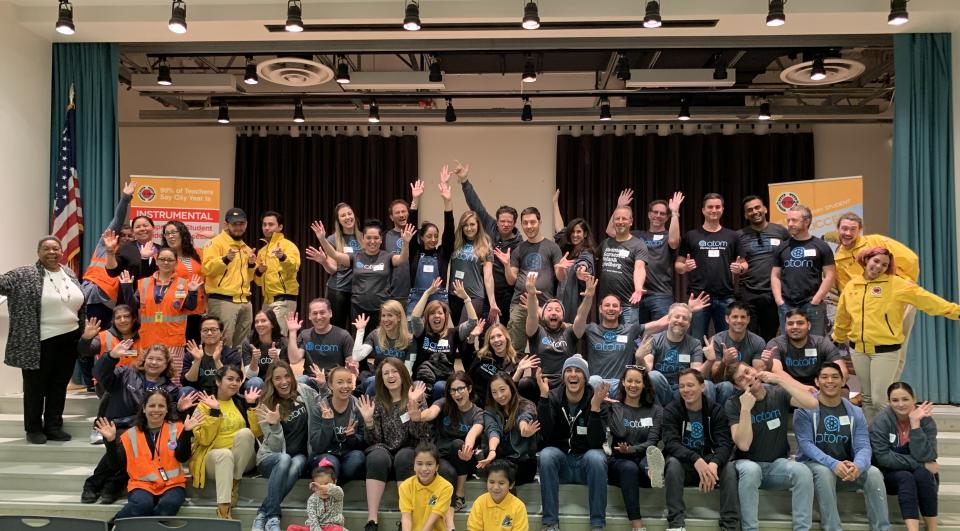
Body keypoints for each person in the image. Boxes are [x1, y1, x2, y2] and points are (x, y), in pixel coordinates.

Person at [833, 246, 960, 419]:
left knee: (880, 399)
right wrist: (837, 337)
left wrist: (955, 311)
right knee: (868, 399)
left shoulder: (896, 284)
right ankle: (873, 439)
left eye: (884, 265)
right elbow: (843, 316)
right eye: (876, 261)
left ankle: (894, 437)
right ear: (866, 260)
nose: (878, 267)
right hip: (858, 350)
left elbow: (928, 301)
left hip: (885, 351)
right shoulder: (852, 285)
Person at [1, 236, 85, 444]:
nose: (52, 252)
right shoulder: (24, 274)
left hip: (69, 340)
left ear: (62, 251)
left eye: (56, 248)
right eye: (46, 249)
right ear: (38, 252)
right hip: (38, 342)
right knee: (35, 388)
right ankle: (33, 428)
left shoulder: (69, 273)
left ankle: (54, 426)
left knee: (59, 386)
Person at [82, 342, 185, 504]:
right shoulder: (125, 374)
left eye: (159, 360)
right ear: (144, 360)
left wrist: (180, 409)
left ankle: (110, 487)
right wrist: (110, 357)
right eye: (151, 358)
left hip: (146, 430)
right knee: (124, 443)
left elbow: (168, 416)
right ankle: (94, 485)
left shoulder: (170, 389)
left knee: (135, 444)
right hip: (117, 426)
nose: (154, 362)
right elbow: (101, 375)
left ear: (166, 364)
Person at [793, 362, 891, 531]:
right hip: (814, 466)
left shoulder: (855, 411)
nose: (829, 381)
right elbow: (806, 444)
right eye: (824, 377)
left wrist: (858, 465)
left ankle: (882, 528)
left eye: (835, 377)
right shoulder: (804, 409)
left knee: (873, 473)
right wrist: (833, 463)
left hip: (845, 469)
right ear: (816, 382)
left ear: (843, 380)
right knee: (824, 472)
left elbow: (863, 446)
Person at [725, 361, 819, 531]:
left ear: (754, 369)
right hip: (747, 465)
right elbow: (743, 445)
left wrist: (780, 380)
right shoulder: (734, 404)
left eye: (748, 371)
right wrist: (746, 409)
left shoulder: (777, 393)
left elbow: (812, 403)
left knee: (803, 472)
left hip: (777, 465)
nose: (748, 377)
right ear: (737, 386)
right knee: (752, 471)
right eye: (741, 378)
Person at [94, 390, 204, 521]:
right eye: (152, 406)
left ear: (167, 409)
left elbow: (183, 457)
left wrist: (187, 432)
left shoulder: (178, 428)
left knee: (168, 505)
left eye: (161, 406)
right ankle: (113, 525)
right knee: (142, 505)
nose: (156, 410)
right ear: (144, 409)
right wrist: (111, 442)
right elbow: (115, 465)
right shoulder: (130, 434)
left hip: (173, 485)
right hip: (141, 485)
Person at [357, 358, 431, 531]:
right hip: (384, 449)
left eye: (394, 371)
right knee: (376, 456)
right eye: (386, 373)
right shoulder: (377, 402)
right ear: (381, 378)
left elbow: (422, 435)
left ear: (402, 374)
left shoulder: (417, 397)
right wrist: (368, 422)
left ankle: (405, 518)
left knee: (404, 456)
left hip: (409, 448)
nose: (390, 376)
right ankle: (372, 520)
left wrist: (413, 408)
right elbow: (374, 440)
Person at [662, 368, 739, 531]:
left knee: (730, 468)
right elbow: (671, 443)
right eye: (681, 386)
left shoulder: (716, 410)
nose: (685, 390)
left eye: (690, 385)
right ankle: (676, 524)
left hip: (710, 463)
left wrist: (714, 464)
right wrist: (695, 459)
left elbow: (725, 444)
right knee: (673, 464)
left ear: (702, 387)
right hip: (686, 465)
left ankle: (729, 525)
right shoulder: (672, 409)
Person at [536, 356, 607, 531]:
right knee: (546, 455)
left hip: (585, 463)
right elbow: (545, 433)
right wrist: (544, 397)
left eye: (578, 371)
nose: (573, 374)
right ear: (563, 376)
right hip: (562, 464)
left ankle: (597, 525)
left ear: (585, 377)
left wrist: (596, 409)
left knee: (597, 457)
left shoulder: (596, 399)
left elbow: (597, 442)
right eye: (568, 370)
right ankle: (550, 524)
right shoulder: (552, 397)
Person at [252, 361, 323, 531]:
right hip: (271, 458)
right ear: (271, 381)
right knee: (284, 459)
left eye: (286, 376)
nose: (283, 382)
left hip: (299, 455)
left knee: (298, 462)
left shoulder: (304, 392)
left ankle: (264, 513)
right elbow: (275, 447)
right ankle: (274, 516)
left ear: (292, 377)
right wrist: (275, 426)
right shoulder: (265, 404)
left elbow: (324, 403)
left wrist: (324, 386)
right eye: (277, 378)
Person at [310, 218, 415, 332]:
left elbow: (402, 259)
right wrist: (322, 239)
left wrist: (406, 243)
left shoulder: (387, 257)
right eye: (368, 238)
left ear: (381, 240)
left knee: (378, 343)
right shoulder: (355, 257)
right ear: (363, 239)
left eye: (376, 238)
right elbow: (334, 254)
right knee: (359, 342)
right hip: (358, 309)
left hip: (381, 310)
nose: (372, 241)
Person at [119, 247, 204, 385]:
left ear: (176, 263)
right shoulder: (144, 283)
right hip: (149, 339)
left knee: (173, 380)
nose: (166, 262)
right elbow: (133, 307)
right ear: (157, 261)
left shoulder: (183, 283)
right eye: (162, 259)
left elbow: (190, 307)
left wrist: (193, 292)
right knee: (148, 379)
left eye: (170, 260)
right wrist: (127, 288)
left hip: (173, 341)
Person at [188, 364, 263, 519]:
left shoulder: (241, 402)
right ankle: (224, 511)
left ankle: (234, 482)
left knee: (246, 433)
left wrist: (251, 406)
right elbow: (204, 440)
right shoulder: (204, 405)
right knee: (225, 455)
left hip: (242, 461)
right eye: (230, 379)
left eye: (238, 380)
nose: (234, 383)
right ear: (218, 381)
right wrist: (214, 412)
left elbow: (256, 433)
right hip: (212, 458)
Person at [454, 160, 523, 326]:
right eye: (502, 221)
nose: (505, 224)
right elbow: (475, 204)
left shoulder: (520, 244)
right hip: (484, 290)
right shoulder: (489, 225)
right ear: (497, 221)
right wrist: (464, 181)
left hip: (507, 292)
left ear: (514, 223)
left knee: (507, 330)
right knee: (483, 329)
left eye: (509, 222)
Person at [869, 382, 939, 531]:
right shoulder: (881, 421)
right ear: (889, 402)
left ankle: (932, 528)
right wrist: (920, 464)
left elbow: (928, 455)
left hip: (921, 473)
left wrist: (915, 425)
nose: (900, 404)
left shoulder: (925, 419)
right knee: (906, 477)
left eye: (905, 399)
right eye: (895, 400)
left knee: (924, 475)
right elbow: (883, 458)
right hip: (890, 473)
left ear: (914, 399)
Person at [606, 190, 684, 322]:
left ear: (667, 217)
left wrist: (675, 213)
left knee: (660, 337)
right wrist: (619, 208)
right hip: (636, 294)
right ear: (649, 214)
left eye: (662, 213)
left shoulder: (668, 236)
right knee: (637, 338)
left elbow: (674, 242)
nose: (658, 216)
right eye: (655, 212)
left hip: (660, 295)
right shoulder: (636, 235)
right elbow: (611, 232)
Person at [604, 365, 665, 531]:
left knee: (647, 458)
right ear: (623, 382)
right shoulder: (614, 407)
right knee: (630, 467)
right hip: (619, 463)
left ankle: (652, 472)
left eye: (637, 381)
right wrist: (616, 406)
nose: (633, 385)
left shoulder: (656, 410)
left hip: (643, 457)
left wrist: (631, 450)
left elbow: (652, 442)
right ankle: (637, 525)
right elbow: (620, 433)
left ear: (644, 384)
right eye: (629, 381)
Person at [676, 193, 745, 340]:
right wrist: (685, 267)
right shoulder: (691, 236)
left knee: (728, 339)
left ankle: (725, 364)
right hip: (699, 297)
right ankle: (697, 364)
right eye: (710, 207)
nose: (714, 210)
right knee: (696, 339)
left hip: (726, 296)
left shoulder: (732, 236)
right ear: (703, 210)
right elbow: (678, 265)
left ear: (722, 209)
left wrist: (740, 268)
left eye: (717, 207)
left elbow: (744, 263)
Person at [415, 372, 485, 513]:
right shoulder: (444, 404)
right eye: (452, 390)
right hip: (443, 456)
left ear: (469, 389)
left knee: (458, 444)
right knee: (448, 472)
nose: (456, 393)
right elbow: (431, 413)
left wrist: (468, 447)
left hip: (465, 458)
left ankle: (459, 495)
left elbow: (474, 432)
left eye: (460, 389)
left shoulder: (478, 413)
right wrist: (417, 414)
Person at [500, 206, 567, 350]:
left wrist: (561, 268)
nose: (529, 226)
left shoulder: (552, 247)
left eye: (532, 222)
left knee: (542, 349)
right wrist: (506, 265)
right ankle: (515, 373)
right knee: (515, 350)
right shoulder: (519, 249)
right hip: (520, 304)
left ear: (539, 222)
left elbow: (560, 277)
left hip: (543, 306)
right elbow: (511, 280)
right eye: (525, 223)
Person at [771, 204, 836, 336]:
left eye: (794, 220)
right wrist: (779, 301)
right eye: (788, 220)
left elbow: (830, 275)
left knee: (815, 344)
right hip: (787, 305)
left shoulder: (821, 246)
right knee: (789, 344)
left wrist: (816, 299)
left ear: (807, 221)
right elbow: (775, 276)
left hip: (812, 304)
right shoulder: (782, 247)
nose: (789, 224)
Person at [80, 180, 136, 332]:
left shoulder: (133, 256)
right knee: (87, 339)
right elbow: (117, 220)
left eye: (130, 236)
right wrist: (125, 198)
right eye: (122, 235)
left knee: (105, 343)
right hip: (90, 297)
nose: (125, 238)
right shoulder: (104, 245)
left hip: (112, 305)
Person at [410, 278, 478, 399]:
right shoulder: (422, 332)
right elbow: (415, 318)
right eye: (432, 313)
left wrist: (466, 299)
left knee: (440, 387)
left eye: (440, 313)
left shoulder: (454, 333)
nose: (436, 316)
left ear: (445, 317)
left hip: (444, 380)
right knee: (418, 389)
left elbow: (472, 321)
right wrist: (426, 294)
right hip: (422, 379)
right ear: (427, 318)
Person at [638, 303, 713, 406]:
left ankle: (703, 419)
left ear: (689, 324)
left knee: (707, 385)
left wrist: (710, 361)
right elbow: (647, 370)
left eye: (685, 318)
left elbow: (697, 375)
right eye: (677, 317)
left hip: (683, 389)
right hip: (661, 389)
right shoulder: (654, 339)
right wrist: (639, 358)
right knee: (654, 376)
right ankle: (660, 416)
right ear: (669, 319)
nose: (680, 321)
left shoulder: (695, 344)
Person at [202, 207, 256, 348]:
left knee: (242, 346)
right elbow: (207, 268)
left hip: (244, 302)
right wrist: (225, 259)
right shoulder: (215, 242)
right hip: (223, 301)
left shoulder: (246, 248)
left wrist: (251, 265)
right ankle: (219, 371)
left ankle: (236, 370)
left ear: (246, 224)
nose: (238, 227)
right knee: (222, 344)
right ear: (226, 225)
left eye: (241, 224)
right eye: (234, 224)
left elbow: (248, 278)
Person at [736, 195, 789, 340]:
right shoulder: (739, 236)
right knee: (748, 336)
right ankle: (750, 363)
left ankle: (768, 363)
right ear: (746, 215)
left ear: (765, 209)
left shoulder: (781, 232)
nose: (755, 211)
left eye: (757, 207)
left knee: (770, 336)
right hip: (748, 293)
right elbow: (738, 261)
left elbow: (790, 258)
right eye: (750, 210)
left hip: (774, 293)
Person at [833, 212, 919, 293]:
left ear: (859, 230)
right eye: (844, 229)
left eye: (853, 229)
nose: (848, 233)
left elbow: (910, 259)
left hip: (898, 292)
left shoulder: (876, 241)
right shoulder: (838, 261)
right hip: (872, 302)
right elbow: (847, 291)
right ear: (838, 229)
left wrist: (908, 280)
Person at [523, 272, 582, 389]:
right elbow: (532, 315)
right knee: (524, 384)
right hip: (540, 381)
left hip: (564, 383)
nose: (554, 312)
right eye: (549, 310)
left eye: (557, 310)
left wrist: (589, 297)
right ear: (543, 315)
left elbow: (582, 316)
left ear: (563, 316)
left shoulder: (569, 332)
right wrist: (531, 293)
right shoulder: (537, 331)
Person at [407, 172, 455, 314]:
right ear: (421, 237)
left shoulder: (442, 254)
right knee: (412, 333)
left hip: (438, 298)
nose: (433, 239)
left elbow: (449, 230)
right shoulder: (414, 251)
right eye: (429, 236)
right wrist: (415, 199)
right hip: (416, 298)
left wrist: (447, 202)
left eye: (436, 236)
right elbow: (412, 226)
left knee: (438, 334)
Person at [765, 309, 846, 390]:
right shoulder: (775, 343)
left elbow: (841, 370)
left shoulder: (821, 342)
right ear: (785, 327)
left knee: (843, 390)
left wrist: (829, 385)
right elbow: (777, 372)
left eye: (800, 323)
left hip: (818, 385)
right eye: (790, 324)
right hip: (788, 386)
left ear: (809, 325)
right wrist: (803, 389)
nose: (795, 327)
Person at [311, 366, 367, 484]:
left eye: (349, 382)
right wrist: (327, 423)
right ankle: (332, 483)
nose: (345, 386)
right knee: (330, 465)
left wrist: (352, 437)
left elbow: (363, 442)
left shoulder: (358, 407)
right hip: (326, 453)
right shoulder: (319, 408)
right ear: (330, 385)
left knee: (358, 458)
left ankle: (336, 482)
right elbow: (317, 447)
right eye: (340, 382)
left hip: (349, 453)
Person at [482, 372, 540, 485]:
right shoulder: (490, 410)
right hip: (498, 457)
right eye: (494, 392)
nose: (499, 396)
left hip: (523, 461)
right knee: (499, 471)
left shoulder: (526, 404)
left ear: (511, 388)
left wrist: (524, 430)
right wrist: (492, 450)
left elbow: (524, 417)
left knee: (503, 475)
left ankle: (509, 502)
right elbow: (493, 430)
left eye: (502, 390)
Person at [465, 321, 539, 407]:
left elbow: (510, 390)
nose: (496, 340)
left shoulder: (515, 363)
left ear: (506, 338)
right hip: (476, 401)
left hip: (498, 403)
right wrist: (472, 336)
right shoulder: (481, 356)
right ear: (489, 342)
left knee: (529, 383)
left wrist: (519, 370)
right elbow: (467, 358)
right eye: (492, 337)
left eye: (499, 335)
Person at [597, 204, 649, 328]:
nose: (620, 222)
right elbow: (591, 258)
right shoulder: (605, 243)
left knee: (629, 342)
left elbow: (639, 268)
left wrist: (638, 287)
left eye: (624, 219)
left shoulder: (638, 244)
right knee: (606, 341)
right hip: (606, 305)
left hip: (627, 304)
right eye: (617, 219)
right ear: (613, 222)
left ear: (631, 221)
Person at [707, 301, 769, 405]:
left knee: (769, 387)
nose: (739, 320)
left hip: (746, 383)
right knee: (726, 386)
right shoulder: (716, 341)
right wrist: (724, 361)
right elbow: (716, 378)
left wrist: (768, 364)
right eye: (735, 317)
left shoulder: (758, 341)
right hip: (724, 386)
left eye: (743, 317)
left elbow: (757, 374)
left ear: (748, 319)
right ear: (727, 319)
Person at [352, 302, 417, 395]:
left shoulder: (410, 340)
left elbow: (407, 371)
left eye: (390, 315)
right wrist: (360, 331)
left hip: (399, 381)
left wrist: (393, 383)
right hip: (377, 380)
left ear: (399, 317)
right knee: (373, 381)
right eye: (383, 315)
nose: (385, 319)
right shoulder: (375, 335)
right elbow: (356, 357)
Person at [158, 220, 206, 343]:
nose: (170, 236)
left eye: (174, 232)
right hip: (176, 310)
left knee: (193, 347)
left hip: (198, 309)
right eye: (167, 233)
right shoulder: (164, 258)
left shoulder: (198, 253)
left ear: (183, 233)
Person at [254, 211, 301, 336]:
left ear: (280, 227)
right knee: (265, 337)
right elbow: (258, 282)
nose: (267, 228)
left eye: (271, 224)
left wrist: (282, 256)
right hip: (267, 301)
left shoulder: (288, 246)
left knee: (279, 337)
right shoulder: (262, 251)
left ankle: (283, 356)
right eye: (264, 224)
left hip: (284, 299)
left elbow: (294, 267)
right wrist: (259, 271)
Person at [552, 189, 596, 321]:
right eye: (572, 232)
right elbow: (559, 229)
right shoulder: (566, 250)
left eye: (579, 232)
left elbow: (584, 263)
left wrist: (581, 272)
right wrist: (554, 203)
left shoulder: (587, 251)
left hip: (574, 302)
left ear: (585, 234)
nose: (575, 235)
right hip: (560, 299)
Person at [287, 299, 355, 383]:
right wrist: (292, 332)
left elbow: (352, 364)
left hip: (334, 380)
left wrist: (351, 368)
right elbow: (294, 360)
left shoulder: (343, 335)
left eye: (322, 312)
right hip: (310, 379)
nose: (318, 317)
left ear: (330, 313)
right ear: (309, 316)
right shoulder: (305, 335)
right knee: (297, 383)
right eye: (315, 313)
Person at [449, 209, 497, 325]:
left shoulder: (485, 243)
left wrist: (492, 302)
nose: (469, 228)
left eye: (472, 224)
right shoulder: (455, 242)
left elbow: (488, 276)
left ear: (478, 225)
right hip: (454, 295)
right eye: (465, 225)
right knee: (458, 333)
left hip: (474, 296)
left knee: (464, 331)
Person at [320, 203, 363, 330]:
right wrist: (323, 261)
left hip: (359, 291)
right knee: (336, 328)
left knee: (359, 329)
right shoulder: (333, 239)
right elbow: (332, 269)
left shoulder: (364, 237)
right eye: (343, 215)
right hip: (338, 290)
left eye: (349, 213)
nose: (347, 217)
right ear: (338, 220)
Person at [181, 315, 243, 395]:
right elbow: (186, 383)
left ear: (221, 333)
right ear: (200, 333)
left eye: (213, 330)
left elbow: (233, 382)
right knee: (185, 390)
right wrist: (197, 361)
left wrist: (217, 361)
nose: (209, 333)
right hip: (200, 396)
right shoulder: (191, 354)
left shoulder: (232, 355)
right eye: (205, 330)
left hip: (224, 395)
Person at [399, 442, 454, 531]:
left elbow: (431, 523)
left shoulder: (446, 487)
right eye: (419, 464)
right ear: (414, 466)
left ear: (437, 467)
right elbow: (406, 518)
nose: (424, 469)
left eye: (429, 464)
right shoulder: (405, 486)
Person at [386, 182, 423, 306]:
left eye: (404, 211)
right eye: (397, 213)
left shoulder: (418, 235)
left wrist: (416, 200)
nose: (401, 215)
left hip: (415, 293)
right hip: (391, 295)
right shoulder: (383, 237)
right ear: (391, 217)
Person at [467, 460, 529, 531]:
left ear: (511, 485)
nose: (496, 487)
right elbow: (473, 529)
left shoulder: (518, 507)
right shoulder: (480, 503)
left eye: (501, 483)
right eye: (491, 482)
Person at [287, 461, 346, 531]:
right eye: (319, 486)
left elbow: (338, 491)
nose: (322, 488)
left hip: (332, 527)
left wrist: (325, 488)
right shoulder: (312, 499)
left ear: (335, 482)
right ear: (314, 486)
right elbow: (313, 519)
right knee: (292, 528)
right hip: (314, 528)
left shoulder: (336, 495)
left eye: (326, 484)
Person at [240, 308, 289, 390]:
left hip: (275, 381)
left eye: (263, 321)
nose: (259, 324)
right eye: (256, 322)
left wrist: (276, 359)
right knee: (256, 382)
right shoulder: (248, 343)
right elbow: (250, 376)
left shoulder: (283, 342)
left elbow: (284, 374)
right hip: (256, 382)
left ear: (272, 324)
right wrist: (254, 360)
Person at [106, 215, 158, 280]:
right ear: (133, 232)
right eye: (137, 227)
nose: (142, 229)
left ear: (153, 228)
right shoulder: (125, 248)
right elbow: (112, 272)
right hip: (131, 289)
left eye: (145, 226)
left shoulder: (162, 249)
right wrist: (110, 251)